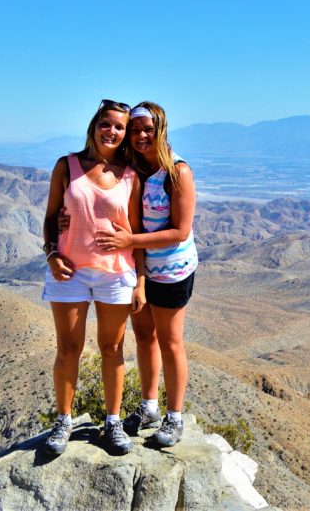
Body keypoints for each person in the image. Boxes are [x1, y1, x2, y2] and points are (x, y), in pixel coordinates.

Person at [40, 99, 144, 455]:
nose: (112, 131)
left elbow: (136, 229)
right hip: (69, 271)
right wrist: (51, 253)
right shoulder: (67, 166)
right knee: (68, 348)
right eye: (107, 123)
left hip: (115, 273)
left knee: (112, 348)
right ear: (95, 125)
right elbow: (52, 215)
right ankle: (63, 421)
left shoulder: (129, 174)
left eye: (120, 127)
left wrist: (141, 280)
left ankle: (112, 423)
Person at [93, 101, 198, 447]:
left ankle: (175, 416)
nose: (140, 135)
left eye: (147, 129)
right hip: (140, 270)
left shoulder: (177, 172)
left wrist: (130, 240)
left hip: (171, 271)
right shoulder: (136, 168)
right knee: (144, 337)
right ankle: (150, 405)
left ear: (161, 130)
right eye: (135, 129)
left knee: (170, 342)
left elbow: (180, 231)